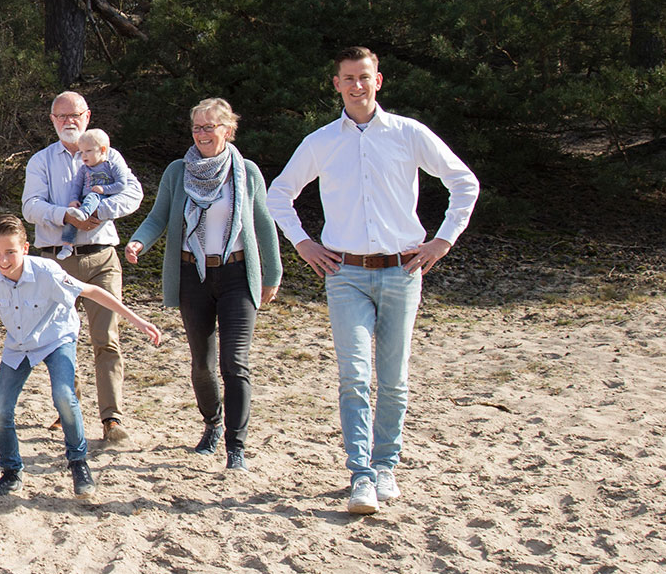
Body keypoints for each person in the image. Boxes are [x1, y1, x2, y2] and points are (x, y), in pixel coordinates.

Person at [266, 47, 479, 515]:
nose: (357, 86)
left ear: (378, 81)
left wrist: (442, 241)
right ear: (337, 84)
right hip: (345, 275)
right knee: (354, 376)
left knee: (394, 379)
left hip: (403, 272)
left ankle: (386, 466)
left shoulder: (408, 134)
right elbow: (278, 193)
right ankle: (360, 473)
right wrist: (303, 242)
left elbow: (464, 181)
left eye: (364, 77)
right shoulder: (321, 141)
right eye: (348, 78)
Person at [0, 216, 161, 500]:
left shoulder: (47, 271)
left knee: (64, 395)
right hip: (19, 343)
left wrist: (137, 321)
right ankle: (11, 471)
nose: (3, 260)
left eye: (10, 252)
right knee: (0, 410)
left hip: (56, 337)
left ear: (25, 248)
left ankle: (79, 463)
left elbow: (93, 291)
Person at [125, 99, 282, 471]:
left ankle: (236, 445)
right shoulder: (178, 171)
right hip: (192, 276)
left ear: (228, 129)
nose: (202, 134)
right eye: (197, 127)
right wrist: (138, 242)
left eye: (210, 127)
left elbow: (263, 224)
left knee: (235, 363)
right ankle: (211, 423)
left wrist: (272, 275)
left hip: (237, 275)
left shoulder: (247, 172)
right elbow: (158, 215)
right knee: (202, 364)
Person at [21, 90, 144, 443]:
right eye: (61, 117)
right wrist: (66, 215)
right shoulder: (41, 161)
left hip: (102, 256)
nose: (69, 122)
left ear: (87, 116)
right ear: (52, 120)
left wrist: (99, 212)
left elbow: (132, 194)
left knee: (106, 338)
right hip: (57, 260)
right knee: (61, 339)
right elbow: (30, 207)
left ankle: (112, 420)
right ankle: (67, 411)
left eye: (75, 115)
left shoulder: (109, 155)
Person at [66, 129, 130, 222]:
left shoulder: (112, 166)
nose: (84, 156)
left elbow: (122, 185)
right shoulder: (83, 169)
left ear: (102, 150)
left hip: (102, 199)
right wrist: (74, 199)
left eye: (88, 151)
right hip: (83, 201)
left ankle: (84, 213)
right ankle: (68, 235)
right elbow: (77, 186)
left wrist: (104, 189)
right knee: (70, 225)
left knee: (93, 196)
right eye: (81, 152)